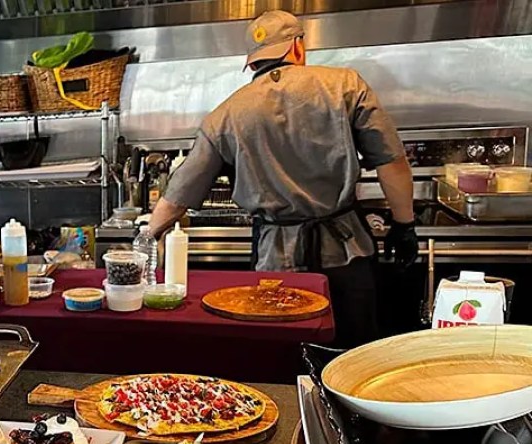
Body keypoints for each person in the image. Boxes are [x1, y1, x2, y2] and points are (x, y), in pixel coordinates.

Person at [144, 10, 418, 347]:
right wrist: (405, 225)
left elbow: (178, 196)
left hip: (276, 264)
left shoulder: (224, 115)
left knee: (285, 356)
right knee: (352, 356)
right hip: (346, 251)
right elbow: (392, 163)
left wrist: (146, 235)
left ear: (253, 62)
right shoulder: (347, 86)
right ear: (298, 48)